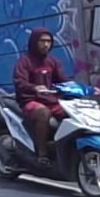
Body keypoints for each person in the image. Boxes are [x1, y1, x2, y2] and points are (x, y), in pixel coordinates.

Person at [14, 27, 66, 168]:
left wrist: (80, 89)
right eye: (42, 41)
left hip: (51, 100)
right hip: (30, 101)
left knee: (72, 113)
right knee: (44, 113)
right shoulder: (24, 62)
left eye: (49, 41)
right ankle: (42, 154)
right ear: (34, 42)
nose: (46, 44)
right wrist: (34, 88)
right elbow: (20, 82)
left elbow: (62, 81)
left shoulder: (53, 62)